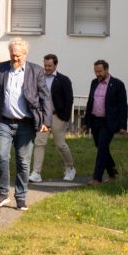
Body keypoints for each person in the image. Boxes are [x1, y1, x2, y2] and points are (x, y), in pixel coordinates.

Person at [0, 38, 53, 211]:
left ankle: (20, 196)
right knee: (2, 156)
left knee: (23, 161)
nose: (15, 59)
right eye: (13, 55)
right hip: (4, 121)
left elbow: (45, 98)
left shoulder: (35, 71)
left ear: (25, 54)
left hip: (26, 124)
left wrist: (46, 121)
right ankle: (3, 193)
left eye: (18, 56)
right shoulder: (1, 68)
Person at [35, 53, 77, 183]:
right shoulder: (39, 78)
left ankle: (70, 168)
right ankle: (36, 172)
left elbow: (69, 99)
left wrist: (65, 117)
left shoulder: (63, 80)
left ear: (55, 65)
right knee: (39, 143)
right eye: (45, 65)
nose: (47, 68)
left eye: (50, 66)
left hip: (58, 117)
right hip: (43, 117)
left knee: (60, 144)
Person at [84, 59, 128, 184]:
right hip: (95, 120)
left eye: (100, 71)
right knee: (102, 148)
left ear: (107, 70)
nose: (98, 74)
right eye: (95, 71)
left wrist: (123, 125)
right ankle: (113, 174)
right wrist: (86, 122)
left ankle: (97, 178)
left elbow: (123, 106)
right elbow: (90, 103)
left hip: (109, 122)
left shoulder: (117, 84)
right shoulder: (94, 83)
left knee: (102, 147)